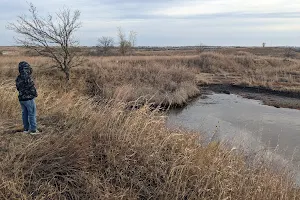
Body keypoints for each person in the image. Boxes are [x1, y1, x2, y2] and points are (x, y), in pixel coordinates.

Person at [16, 61, 39, 135]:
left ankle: (26, 129)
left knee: (24, 114)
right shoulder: (28, 78)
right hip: (29, 99)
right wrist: (35, 94)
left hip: (21, 99)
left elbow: (18, 88)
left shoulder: (18, 77)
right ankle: (33, 130)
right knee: (32, 113)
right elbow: (32, 88)